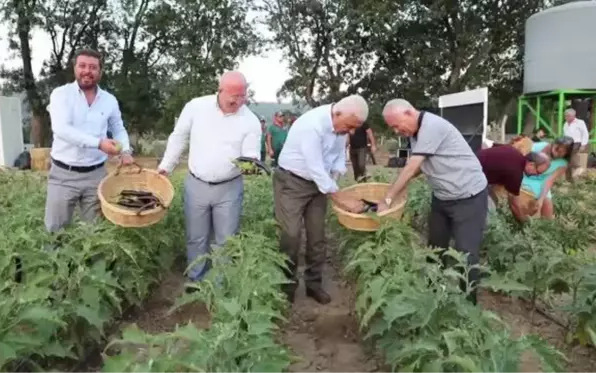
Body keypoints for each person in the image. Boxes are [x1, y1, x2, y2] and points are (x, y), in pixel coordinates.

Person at [373, 99, 488, 305]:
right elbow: (418, 167)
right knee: (435, 249)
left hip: (468, 197)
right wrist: (402, 187)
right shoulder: (414, 133)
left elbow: (411, 166)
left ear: (409, 112)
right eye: (393, 128)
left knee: (466, 254)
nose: (397, 131)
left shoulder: (432, 126)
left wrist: (388, 198)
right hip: (442, 197)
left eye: (397, 125)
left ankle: (469, 308)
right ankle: (432, 294)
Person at [157, 71, 261, 284]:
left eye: (242, 96)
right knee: (196, 237)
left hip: (229, 187)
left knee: (226, 239)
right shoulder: (196, 107)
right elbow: (179, 137)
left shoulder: (250, 120)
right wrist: (165, 167)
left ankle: (219, 284)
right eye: (233, 96)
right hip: (197, 184)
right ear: (219, 90)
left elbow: (251, 154)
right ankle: (196, 280)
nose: (238, 101)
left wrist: (251, 165)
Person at [274, 95, 369, 305]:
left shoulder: (341, 127)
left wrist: (334, 180)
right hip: (292, 182)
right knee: (291, 235)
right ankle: (286, 287)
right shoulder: (312, 125)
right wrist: (341, 198)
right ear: (337, 114)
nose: (351, 132)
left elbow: (336, 159)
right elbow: (314, 167)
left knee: (317, 237)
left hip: (319, 185)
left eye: (355, 128)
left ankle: (314, 285)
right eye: (350, 126)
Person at [44, 48, 134, 233]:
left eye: (93, 67)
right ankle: (54, 262)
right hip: (63, 174)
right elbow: (61, 129)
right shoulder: (61, 94)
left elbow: (118, 128)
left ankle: (91, 263)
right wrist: (99, 144)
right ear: (75, 68)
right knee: (55, 230)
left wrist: (125, 151)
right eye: (82, 66)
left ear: (100, 72)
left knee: (95, 233)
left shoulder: (109, 100)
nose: (87, 71)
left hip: (96, 174)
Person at [477, 145, 550, 212]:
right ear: (531, 164)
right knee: (490, 209)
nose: (536, 175)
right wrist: (524, 222)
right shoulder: (516, 174)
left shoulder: (514, 151)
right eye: (537, 172)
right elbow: (515, 205)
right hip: (473, 175)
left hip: (473, 159)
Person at [517, 136, 574, 221]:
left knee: (547, 213)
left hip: (542, 183)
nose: (557, 154)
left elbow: (549, 180)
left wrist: (541, 199)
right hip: (524, 177)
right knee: (524, 208)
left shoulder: (563, 163)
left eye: (562, 153)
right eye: (557, 149)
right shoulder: (537, 147)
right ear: (553, 144)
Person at [562, 108, 589, 182]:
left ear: (573, 115)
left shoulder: (580, 122)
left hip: (576, 142)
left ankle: (578, 167)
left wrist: (583, 144)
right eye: (565, 116)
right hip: (567, 143)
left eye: (568, 116)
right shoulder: (565, 124)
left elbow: (585, 134)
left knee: (571, 155)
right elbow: (564, 135)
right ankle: (569, 180)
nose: (566, 117)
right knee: (566, 161)